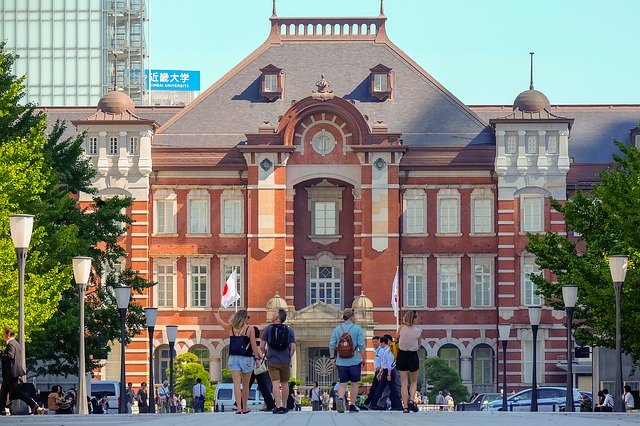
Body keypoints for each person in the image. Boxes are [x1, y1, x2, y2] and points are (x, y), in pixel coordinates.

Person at [215, 308, 263, 414]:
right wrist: (257, 358)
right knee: (245, 385)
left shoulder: (231, 328)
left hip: (233, 358)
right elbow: (254, 345)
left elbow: (222, 324)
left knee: (236, 384)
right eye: (248, 317)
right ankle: (245, 407)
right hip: (246, 358)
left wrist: (217, 316)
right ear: (244, 318)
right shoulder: (249, 329)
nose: (248, 319)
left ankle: (239, 408)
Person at [329, 308, 366, 413]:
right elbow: (361, 346)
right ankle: (353, 405)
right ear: (352, 317)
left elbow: (332, 344)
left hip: (341, 361)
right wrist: (363, 358)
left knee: (342, 383)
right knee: (354, 383)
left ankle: (340, 398)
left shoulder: (337, 329)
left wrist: (332, 358)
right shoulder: (357, 329)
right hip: (354, 360)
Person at [260, 308, 296, 414]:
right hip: (285, 360)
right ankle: (284, 406)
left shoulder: (268, 329)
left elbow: (262, 345)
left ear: (277, 317)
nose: (272, 315)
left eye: (274, 314)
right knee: (285, 383)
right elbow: (293, 347)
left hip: (272, 360)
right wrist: (289, 356)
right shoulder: (289, 330)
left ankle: (278, 405)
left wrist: (264, 354)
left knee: (275, 383)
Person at [0, 327, 43, 415]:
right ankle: (1, 409)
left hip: (11, 373)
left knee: (16, 392)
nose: (2, 336)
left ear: (8, 335)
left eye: (4, 334)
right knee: (3, 392)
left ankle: (33, 405)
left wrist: (1, 354)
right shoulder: (16, 343)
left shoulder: (11, 344)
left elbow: (10, 356)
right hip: (10, 373)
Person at [397, 311, 422, 413]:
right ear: (414, 318)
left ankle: (405, 406)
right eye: (416, 317)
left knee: (403, 382)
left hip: (402, 355)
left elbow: (397, 339)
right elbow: (419, 344)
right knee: (414, 381)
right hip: (412, 355)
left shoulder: (401, 328)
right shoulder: (418, 331)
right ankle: (411, 399)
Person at [248, 325, 276, 412]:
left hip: (253, 366)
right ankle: (270, 404)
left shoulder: (252, 342)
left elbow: (258, 352)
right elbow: (261, 354)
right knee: (264, 387)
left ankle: (239, 403)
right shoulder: (258, 342)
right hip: (259, 367)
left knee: (248, 385)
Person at [363, 336, 381, 409]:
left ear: (380, 342)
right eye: (373, 342)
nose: (374, 344)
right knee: (375, 388)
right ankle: (369, 403)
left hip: (381, 371)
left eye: (376, 342)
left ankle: (370, 403)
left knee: (377, 388)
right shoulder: (376, 350)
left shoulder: (381, 350)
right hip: (378, 371)